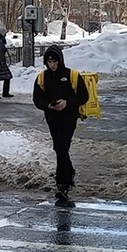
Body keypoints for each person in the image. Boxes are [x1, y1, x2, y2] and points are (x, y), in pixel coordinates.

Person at [32, 44, 90, 207]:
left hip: (69, 118)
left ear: (60, 60)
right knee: (59, 148)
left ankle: (62, 185)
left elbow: (84, 96)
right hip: (52, 118)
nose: (52, 65)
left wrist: (67, 103)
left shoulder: (72, 75)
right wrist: (49, 105)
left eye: (55, 61)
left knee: (62, 149)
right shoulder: (42, 78)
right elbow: (37, 99)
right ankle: (69, 172)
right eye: (49, 61)